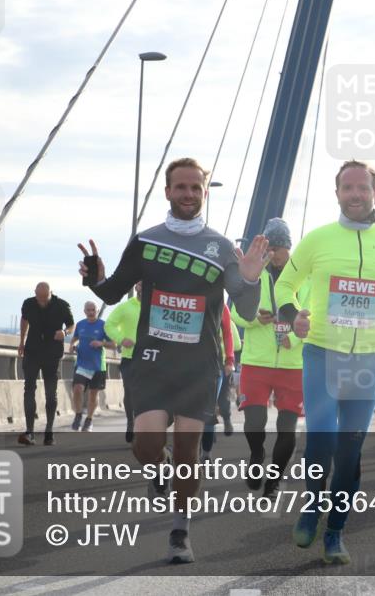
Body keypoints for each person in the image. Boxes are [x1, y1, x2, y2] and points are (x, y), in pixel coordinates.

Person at [79, 157, 266, 564]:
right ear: (167, 191)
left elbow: (248, 311)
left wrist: (249, 279)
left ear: (203, 192)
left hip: (199, 364)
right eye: (180, 187)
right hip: (152, 360)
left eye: (195, 188)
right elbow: (111, 294)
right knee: (146, 445)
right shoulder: (146, 241)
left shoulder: (220, 248)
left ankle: (180, 532)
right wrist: (94, 276)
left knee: (188, 452)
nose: (188, 194)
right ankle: (159, 468)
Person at [276, 160, 375, 565]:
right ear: (338, 193)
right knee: (322, 439)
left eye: (363, 188)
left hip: (367, 358)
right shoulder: (317, 240)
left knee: (350, 450)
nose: (355, 194)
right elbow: (283, 284)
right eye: (348, 188)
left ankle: (336, 531)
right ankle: (312, 506)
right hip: (322, 353)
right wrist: (294, 315)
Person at [231, 218, 309, 497]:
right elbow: (236, 312)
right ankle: (256, 455)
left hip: (293, 364)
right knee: (254, 423)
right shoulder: (253, 273)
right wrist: (254, 319)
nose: (274, 253)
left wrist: (296, 337)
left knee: (286, 429)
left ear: (290, 247)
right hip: (256, 361)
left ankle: (274, 479)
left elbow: (315, 314)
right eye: (270, 247)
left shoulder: (306, 277)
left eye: (279, 247)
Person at [18, 282, 74, 446]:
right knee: (29, 389)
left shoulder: (62, 305)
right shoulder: (28, 303)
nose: (42, 301)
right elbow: (24, 320)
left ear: (51, 293)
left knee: (51, 393)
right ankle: (30, 432)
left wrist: (64, 332)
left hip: (52, 353)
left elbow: (71, 325)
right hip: (32, 351)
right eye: (39, 297)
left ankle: (49, 432)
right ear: (34, 293)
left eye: (45, 298)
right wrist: (21, 341)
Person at [104, 281, 142, 443]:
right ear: (136, 286)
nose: (143, 285)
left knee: (147, 393)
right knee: (131, 391)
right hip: (130, 357)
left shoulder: (158, 306)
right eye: (140, 283)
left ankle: (143, 424)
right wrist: (120, 339)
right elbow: (109, 325)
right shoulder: (126, 307)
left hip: (153, 358)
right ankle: (131, 422)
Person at [200, 303, 237, 460]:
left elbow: (227, 333)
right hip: (184, 364)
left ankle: (206, 454)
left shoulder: (220, 305)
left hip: (214, 365)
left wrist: (229, 359)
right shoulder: (183, 293)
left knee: (208, 410)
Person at [69, 301, 114, 433]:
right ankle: (78, 415)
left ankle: (89, 420)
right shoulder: (81, 324)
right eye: (88, 310)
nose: (91, 312)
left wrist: (101, 343)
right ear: (84, 311)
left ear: (97, 310)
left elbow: (113, 344)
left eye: (93, 310)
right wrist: (72, 346)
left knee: (93, 395)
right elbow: (75, 338)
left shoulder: (103, 325)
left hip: (97, 366)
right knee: (77, 389)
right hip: (82, 364)